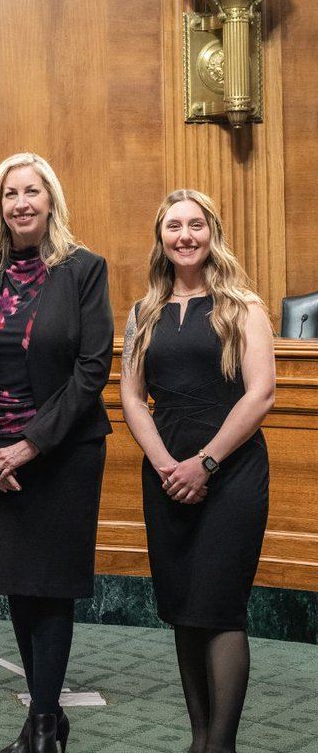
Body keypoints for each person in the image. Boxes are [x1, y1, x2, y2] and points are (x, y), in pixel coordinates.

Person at [0, 153, 113, 753]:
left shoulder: (83, 269)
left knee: (52, 586)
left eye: (32, 192)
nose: (21, 203)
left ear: (51, 201)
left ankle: (44, 725)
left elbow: (93, 367)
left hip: (63, 455)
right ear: (0, 205)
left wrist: (29, 445)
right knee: (19, 585)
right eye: (10, 193)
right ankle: (46, 718)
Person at [120, 189, 275, 753]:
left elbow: (261, 395)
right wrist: (167, 465)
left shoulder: (243, 306)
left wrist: (204, 462)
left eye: (195, 225)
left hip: (231, 474)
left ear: (212, 232)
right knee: (184, 606)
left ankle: (222, 746)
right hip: (166, 477)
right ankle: (198, 739)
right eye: (173, 227)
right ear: (160, 239)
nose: (185, 236)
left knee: (220, 604)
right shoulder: (144, 312)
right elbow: (132, 398)